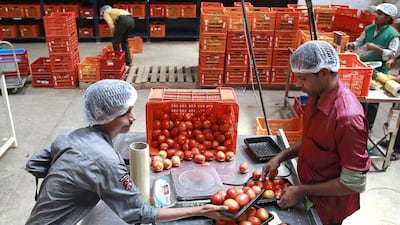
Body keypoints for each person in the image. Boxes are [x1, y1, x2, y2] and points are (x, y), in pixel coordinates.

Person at [25, 79, 228, 224]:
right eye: (125, 113)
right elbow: (140, 213)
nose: (133, 117)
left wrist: (77, 181)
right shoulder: (107, 161)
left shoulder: (69, 136)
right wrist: (201, 210)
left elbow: (34, 164)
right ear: (102, 116)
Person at [262, 41, 371, 225]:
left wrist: (302, 190)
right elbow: (312, 140)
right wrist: (281, 156)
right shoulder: (315, 97)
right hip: (308, 187)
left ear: (324, 73)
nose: (298, 84)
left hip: (329, 203)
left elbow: (353, 183)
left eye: (303, 78)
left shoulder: (348, 119)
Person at [346, 3, 399, 131]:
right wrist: (352, 45)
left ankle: (367, 126)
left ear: (388, 18)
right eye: (377, 13)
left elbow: (393, 53)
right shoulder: (369, 28)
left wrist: (377, 49)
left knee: (373, 100)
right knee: (359, 96)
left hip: (378, 71)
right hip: (362, 67)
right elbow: (359, 42)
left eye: (380, 14)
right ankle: (356, 123)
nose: (376, 16)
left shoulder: (393, 35)